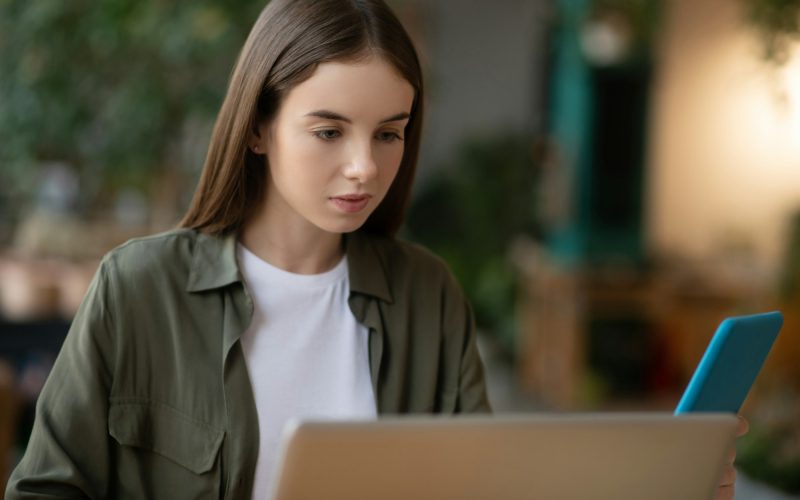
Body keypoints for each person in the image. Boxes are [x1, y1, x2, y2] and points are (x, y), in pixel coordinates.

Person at [5, 0, 744, 499]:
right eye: (329, 131)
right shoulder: (138, 290)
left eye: (389, 132)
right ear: (258, 127)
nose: (365, 166)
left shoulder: (427, 295)